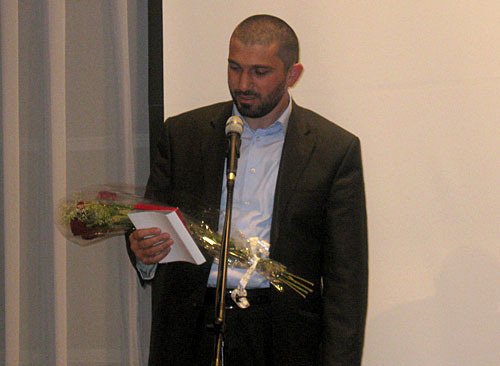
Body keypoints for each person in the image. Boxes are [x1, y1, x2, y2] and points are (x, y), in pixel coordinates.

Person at [127, 14, 368, 366]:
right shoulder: (183, 135)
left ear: (292, 74)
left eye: (259, 72)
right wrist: (142, 251)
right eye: (234, 67)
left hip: (282, 338)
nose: (243, 83)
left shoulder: (333, 150)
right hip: (192, 333)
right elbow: (151, 223)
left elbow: (346, 283)